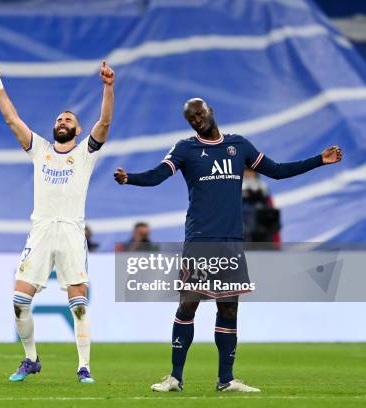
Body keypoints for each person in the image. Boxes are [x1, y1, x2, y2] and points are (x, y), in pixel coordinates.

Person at [114, 98, 342, 392]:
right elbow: (158, 175)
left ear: (210, 111)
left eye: (199, 113)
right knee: (188, 304)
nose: (196, 120)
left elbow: (278, 170)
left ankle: (226, 380)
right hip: (200, 240)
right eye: (191, 118)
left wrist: (319, 160)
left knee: (229, 308)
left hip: (231, 241)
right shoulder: (185, 148)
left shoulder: (239, 146)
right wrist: (129, 178)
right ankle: (175, 377)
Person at [0, 53, 114, 383]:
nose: (62, 122)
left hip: (70, 232)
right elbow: (12, 120)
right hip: (40, 231)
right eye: (59, 119)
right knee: (19, 301)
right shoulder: (39, 149)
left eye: (69, 120)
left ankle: (84, 366)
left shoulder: (85, 153)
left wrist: (108, 88)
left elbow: (105, 124)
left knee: (79, 304)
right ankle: (31, 359)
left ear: (78, 129)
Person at [242, 168, 281, 246]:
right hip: (246, 233)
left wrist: (276, 242)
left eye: (251, 172)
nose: (249, 174)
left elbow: (271, 209)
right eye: (246, 172)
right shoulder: (236, 187)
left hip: (264, 231)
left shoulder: (263, 187)